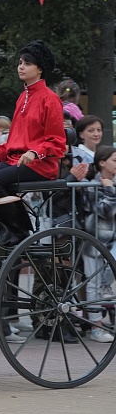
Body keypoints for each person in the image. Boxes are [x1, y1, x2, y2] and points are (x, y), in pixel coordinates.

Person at [0, 40, 66, 247]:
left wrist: (34, 152)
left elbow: (57, 141)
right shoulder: (23, 97)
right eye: (20, 62)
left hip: (41, 165)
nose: (21, 66)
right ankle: (7, 227)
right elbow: (15, 140)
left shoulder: (50, 99)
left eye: (27, 63)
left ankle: (19, 230)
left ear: (40, 69)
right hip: (17, 161)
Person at [81, 146, 116, 343]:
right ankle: (96, 326)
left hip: (113, 238)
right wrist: (109, 188)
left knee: (103, 282)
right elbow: (105, 211)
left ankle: (106, 290)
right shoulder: (90, 184)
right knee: (92, 284)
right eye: (114, 160)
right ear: (102, 162)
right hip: (94, 240)